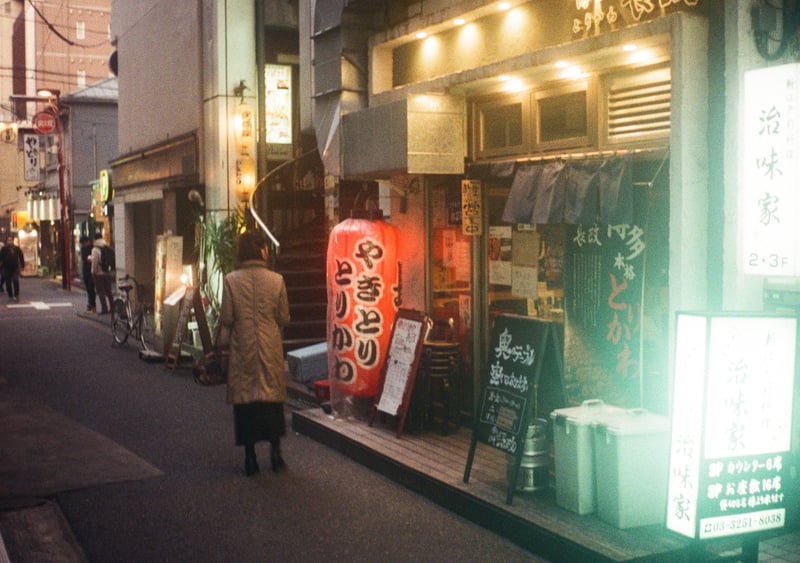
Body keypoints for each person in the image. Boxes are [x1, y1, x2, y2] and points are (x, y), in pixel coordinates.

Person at [219, 230, 290, 476]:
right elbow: (284, 317)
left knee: (246, 403)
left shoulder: (230, 280)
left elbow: (227, 318)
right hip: (269, 345)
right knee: (271, 401)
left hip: (243, 347)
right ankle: (276, 453)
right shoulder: (277, 280)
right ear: (262, 250)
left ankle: (250, 458)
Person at [89, 233, 114, 314]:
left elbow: (95, 262)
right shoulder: (106, 246)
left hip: (99, 273)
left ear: (95, 239)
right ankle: (113, 307)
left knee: (101, 291)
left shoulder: (95, 249)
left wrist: (93, 272)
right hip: (107, 272)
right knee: (109, 291)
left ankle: (104, 309)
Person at [0, 235, 25, 301]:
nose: (10, 242)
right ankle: (10, 295)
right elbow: (1, 257)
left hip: (15, 267)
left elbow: (21, 256)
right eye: (8, 240)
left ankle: (16, 295)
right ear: (7, 241)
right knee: (8, 282)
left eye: (11, 240)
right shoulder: (4, 249)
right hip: (6, 268)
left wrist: (22, 265)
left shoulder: (16, 248)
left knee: (15, 280)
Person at [80, 236, 97, 312]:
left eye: (83, 243)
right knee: (89, 290)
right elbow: (84, 259)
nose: (83, 245)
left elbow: (90, 260)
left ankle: (92, 306)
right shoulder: (83, 249)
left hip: (91, 272)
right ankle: (90, 305)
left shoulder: (92, 249)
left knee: (91, 289)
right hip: (86, 272)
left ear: (87, 242)